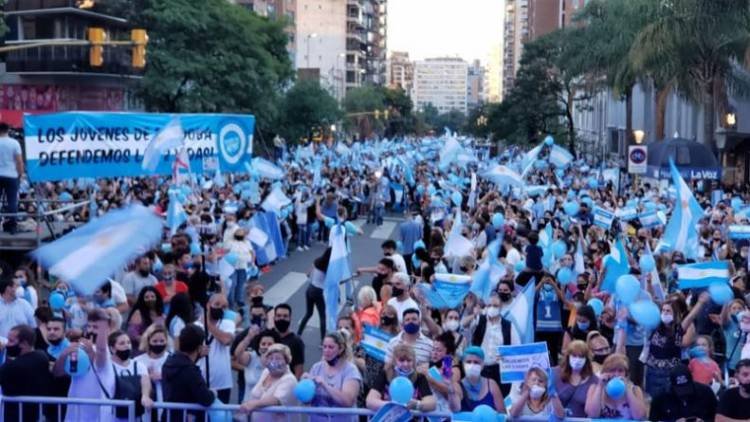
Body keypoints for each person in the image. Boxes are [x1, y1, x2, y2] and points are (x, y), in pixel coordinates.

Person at [53, 308, 115, 421]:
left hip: (97, 411)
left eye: (96, 327)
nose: (91, 330)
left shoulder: (106, 350)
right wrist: (63, 355)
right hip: (75, 409)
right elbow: (58, 373)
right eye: (89, 326)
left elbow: (100, 351)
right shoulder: (78, 348)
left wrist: (103, 325)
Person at [645, 293, 708, 398]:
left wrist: (700, 303)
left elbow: (690, 317)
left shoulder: (678, 330)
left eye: (668, 311)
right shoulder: (655, 326)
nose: (665, 313)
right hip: (652, 372)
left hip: (669, 374)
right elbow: (650, 304)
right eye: (663, 310)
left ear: (674, 313)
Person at [304, 331, 362, 422]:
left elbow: (347, 401)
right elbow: (307, 401)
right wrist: (304, 385)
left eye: (331, 347)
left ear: (341, 349)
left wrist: (325, 385)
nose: (326, 350)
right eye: (324, 347)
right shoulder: (316, 367)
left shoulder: (350, 370)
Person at [162, 324, 215, 422]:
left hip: (169, 417)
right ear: (199, 347)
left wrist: (197, 357)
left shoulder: (168, 363)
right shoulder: (190, 370)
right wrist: (213, 393)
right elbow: (205, 398)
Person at [0, 324, 52, 421]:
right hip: (36, 414)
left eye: (11, 341)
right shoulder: (41, 356)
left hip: (17, 416)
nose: (7, 344)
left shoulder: (12, 367)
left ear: (24, 343)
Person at [366, 343, 436, 412]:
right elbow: (370, 401)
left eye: (409, 360)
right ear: (394, 361)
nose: (405, 364)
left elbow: (432, 404)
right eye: (401, 360)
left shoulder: (419, 377)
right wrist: (392, 405)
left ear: (414, 361)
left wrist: (417, 405)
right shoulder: (385, 373)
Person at [240, 343, 299, 421]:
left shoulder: (289, 379)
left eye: (278, 358)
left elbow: (276, 400)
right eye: (271, 358)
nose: (274, 362)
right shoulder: (266, 372)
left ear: (286, 361)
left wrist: (254, 404)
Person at [108, 329, 154, 421]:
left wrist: (145, 395)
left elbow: (145, 381)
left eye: (128, 343)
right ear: (112, 348)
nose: (127, 346)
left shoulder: (139, 365)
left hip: (135, 416)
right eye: (122, 343)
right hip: (112, 416)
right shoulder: (107, 367)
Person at [585, 354, 647, 420]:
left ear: (626, 374)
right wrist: (600, 386)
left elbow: (639, 416)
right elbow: (592, 414)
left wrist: (627, 389)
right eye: (612, 370)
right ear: (605, 372)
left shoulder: (635, 390)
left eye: (620, 371)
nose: (616, 374)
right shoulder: (594, 388)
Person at [649, 364, 718, 422]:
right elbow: (653, 420)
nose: (684, 395)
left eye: (686, 388)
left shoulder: (706, 392)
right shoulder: (660, 397)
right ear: (671, 386)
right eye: (680, 390)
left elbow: (718, 417)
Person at [199, 294, 235, 403]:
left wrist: (207, 324)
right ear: (208, 305)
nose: (220, 308)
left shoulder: (228, 323)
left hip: (222, 383)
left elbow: (226, 340)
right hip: (201, 381)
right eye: (217, 304)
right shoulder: (196, 326)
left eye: (224, 306)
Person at [453, 346, 505, 413]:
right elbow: (454, 409)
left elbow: (502, 413)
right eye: (468, 362)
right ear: (463, 364)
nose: (472, 365)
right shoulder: (458, 386)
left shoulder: (491, 384)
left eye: (476, 362)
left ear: (482, 365)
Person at [553, 340, 598, 418]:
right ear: (568, 357)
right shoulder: (554, 373)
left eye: (581, 357)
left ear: (587, 359)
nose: (577, 360)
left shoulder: (594, 380)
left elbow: (593, 413)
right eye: (574, 356)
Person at [234, 328, 280, 402]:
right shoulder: (251, 358)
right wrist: (248, 337)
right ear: (258, 346)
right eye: (263, 344)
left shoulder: (281, 362)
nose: (266, 347)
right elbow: (237, 354)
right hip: (249, 408)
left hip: (271, 409)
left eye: (270, 344)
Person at [297, 248, 330, 342]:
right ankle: (323, 341)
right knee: (322, 316)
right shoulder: (328, 268)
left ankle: (298, 334)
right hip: (319, 292)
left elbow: (308, 274)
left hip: (310, 289)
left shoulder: (317, 261)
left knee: (308, 313)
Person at [134, 325, 170, 407]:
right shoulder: (138, 361)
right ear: (148, 341)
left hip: (166, 404)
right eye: (155, 341)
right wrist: (146, 378)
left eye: (162, 341)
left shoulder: (172, 359)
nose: (159, 344)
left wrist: (164, 376)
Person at [0, 122, 23, 234]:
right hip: (11, 175)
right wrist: (20, 174)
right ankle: (13, 226)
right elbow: (19, 161)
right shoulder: (14, 143)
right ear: (8, 130)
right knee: (12, 201)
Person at [273, 303, 305, 379]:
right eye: (279, 316)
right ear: (274, 318)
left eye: (285, 316)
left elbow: (298, 370)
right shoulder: (269, 336)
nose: (282, 319)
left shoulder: (296, 342)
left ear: (290, 318)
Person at [226, 227, 255, 308]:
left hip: (243, 266)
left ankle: (239, 300)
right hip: (232, 267)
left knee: (241, 284)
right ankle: (231, 303)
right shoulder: (230, 243)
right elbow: (225, 253)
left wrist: (252, 263)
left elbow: (252, 253)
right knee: (232, 284)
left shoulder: (247, 243)